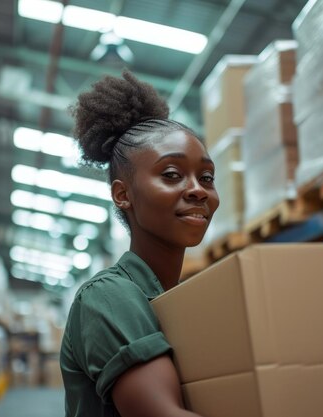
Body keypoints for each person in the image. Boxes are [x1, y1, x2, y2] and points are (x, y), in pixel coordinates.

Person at [60, 70, 219, 417]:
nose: (198, 190)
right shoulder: (108, 297)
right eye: (172, 175)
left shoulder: (171, 298)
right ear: (122, 194)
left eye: (206, 177)